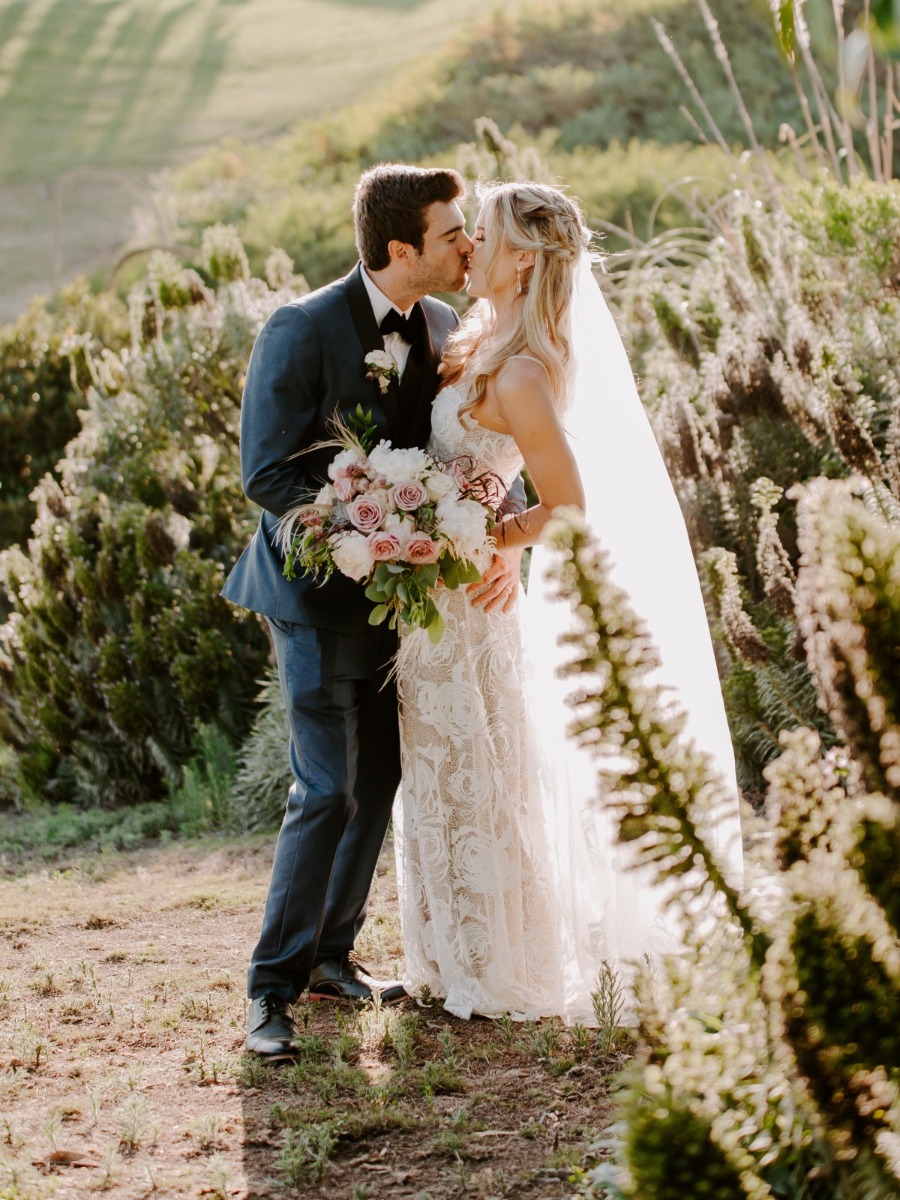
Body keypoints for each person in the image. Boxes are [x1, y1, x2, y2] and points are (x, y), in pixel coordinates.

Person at [392, 181, 744, 1022]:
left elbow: (568, 506)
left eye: (482, 234)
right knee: (444, 770)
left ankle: (497, 961)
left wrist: (489, 543)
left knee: (480, 771)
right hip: (439, 596)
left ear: (523, 257)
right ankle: (447, 955)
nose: (469, 247)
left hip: (468, 594)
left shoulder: (520, 371)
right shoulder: (477, 337)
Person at [222, 164, 524, 1057]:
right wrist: (365, 513)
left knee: (381, 779)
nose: (466, 243)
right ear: (401, 249)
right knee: (328, 787)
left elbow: (484, 451)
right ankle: (267, 991)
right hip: (316, 592)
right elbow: (266, 472)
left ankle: (329, 958)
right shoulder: (302, 327)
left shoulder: (441, 325)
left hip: (405, 604)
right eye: (450, 233)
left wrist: (504, 535)